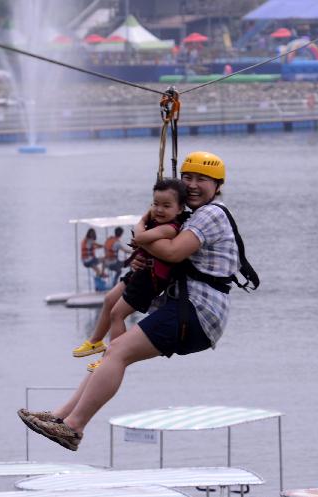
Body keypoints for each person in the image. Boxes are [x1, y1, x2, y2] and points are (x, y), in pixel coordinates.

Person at [20, 151, 245, 451]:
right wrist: (146, 254)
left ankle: (74, 427)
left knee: (117, 353)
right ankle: (62, 417)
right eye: (187, 178)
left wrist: (143, 239)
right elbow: (165, 248)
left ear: (217, 186)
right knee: (114, 350)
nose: (192, 185)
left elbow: (174, 252)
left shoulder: (212, 214)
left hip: (198, 311)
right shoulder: (191, 214)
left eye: (202, 180)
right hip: (186, 307)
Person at [72, 179, 189, 372]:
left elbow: (139, 237)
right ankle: (95, 341)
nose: (159, 210)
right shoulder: (157, 221)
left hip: (150, 279)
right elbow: (141, 237)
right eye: (155, 204)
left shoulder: (170, 228)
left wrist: (143, 221)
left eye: (166, 206)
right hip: (140, 270)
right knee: (109, 299)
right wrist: (146, 220)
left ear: (179, 209)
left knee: (117, 314)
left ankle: (110, 357)